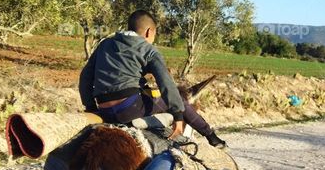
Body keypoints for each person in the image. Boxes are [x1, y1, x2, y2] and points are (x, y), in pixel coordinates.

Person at [79, 10, 226, 148]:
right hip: (129, 109)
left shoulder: (105, 44)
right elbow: (166, 84)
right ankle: (212, 137)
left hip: (103, 109)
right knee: (181, 100)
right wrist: (178, 115)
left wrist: (91, 107)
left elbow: (85, 77)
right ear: (149, 32)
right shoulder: (148, 51)